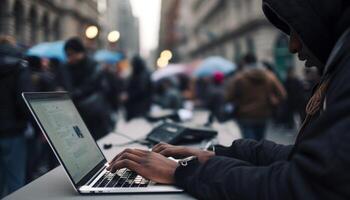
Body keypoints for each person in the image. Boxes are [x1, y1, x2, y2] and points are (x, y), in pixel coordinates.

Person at [106, 0, 350, 199]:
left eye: (296, 30)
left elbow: (301, 186)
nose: (292, 46)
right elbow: (297, 157)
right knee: (256, 137)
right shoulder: (337, 66)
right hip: (261, 114)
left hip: (246, 114)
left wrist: (182, 171)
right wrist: (213, 153)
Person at [59, 37, 114, 140]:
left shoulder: (93, 66)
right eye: (68, 55)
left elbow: (94, 86)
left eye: (72, 54)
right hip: (74, 115)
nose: (70, 58)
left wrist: (73, 94)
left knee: (98, 142)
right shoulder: (65, 68)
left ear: (80, 52)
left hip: (94, 115)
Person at [0, 36, 33, 197]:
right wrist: (35, 126)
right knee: (15, 182)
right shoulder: (19, 66)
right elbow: (24, 100)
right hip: (14, 131)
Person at [226, 53, 287, 140]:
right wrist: (272, 100)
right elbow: (282, 94)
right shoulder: (269, 76)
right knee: (260, 142)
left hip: (244, 115)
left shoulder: (239, 78)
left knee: (249, 144)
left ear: (244, 62)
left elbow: (229, 97)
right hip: (263, 114)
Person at [124, 55, 152, 121]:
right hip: (137, 107)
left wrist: (128, 96)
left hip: (138, 107)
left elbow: (141, 90)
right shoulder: (140, 73)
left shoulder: (142, 75)